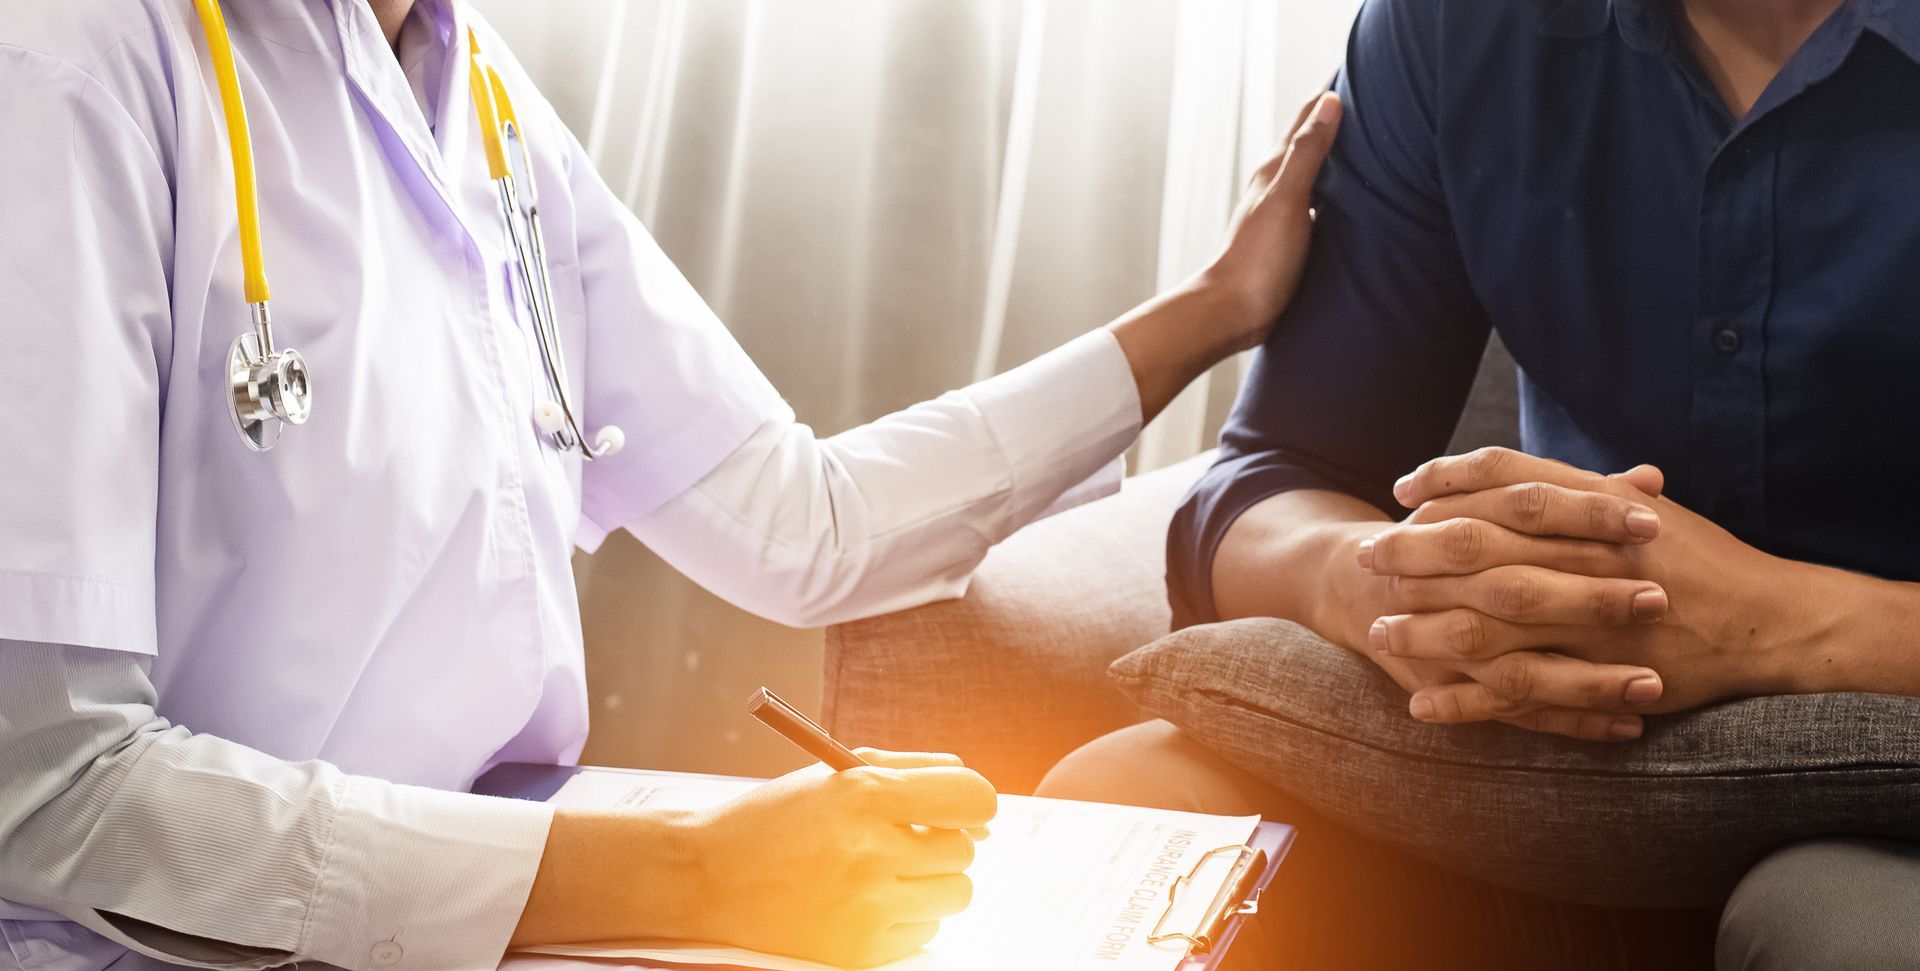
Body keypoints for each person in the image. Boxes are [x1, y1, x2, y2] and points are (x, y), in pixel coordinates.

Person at [0, 0, 1344, 968]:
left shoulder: (473, 87)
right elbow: (49, 790)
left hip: (504, 905)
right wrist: (696, 865)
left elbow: (797, 520)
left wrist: (1210, 310)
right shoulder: (68, 63)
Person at [1040, 0, 1920, 967]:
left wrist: (1782, 624)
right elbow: (1272, 478)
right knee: (1122, 814)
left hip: (1886, 803)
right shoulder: (1454, 29)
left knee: (1843, 932)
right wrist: (1382, 580)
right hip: (1538, 778)